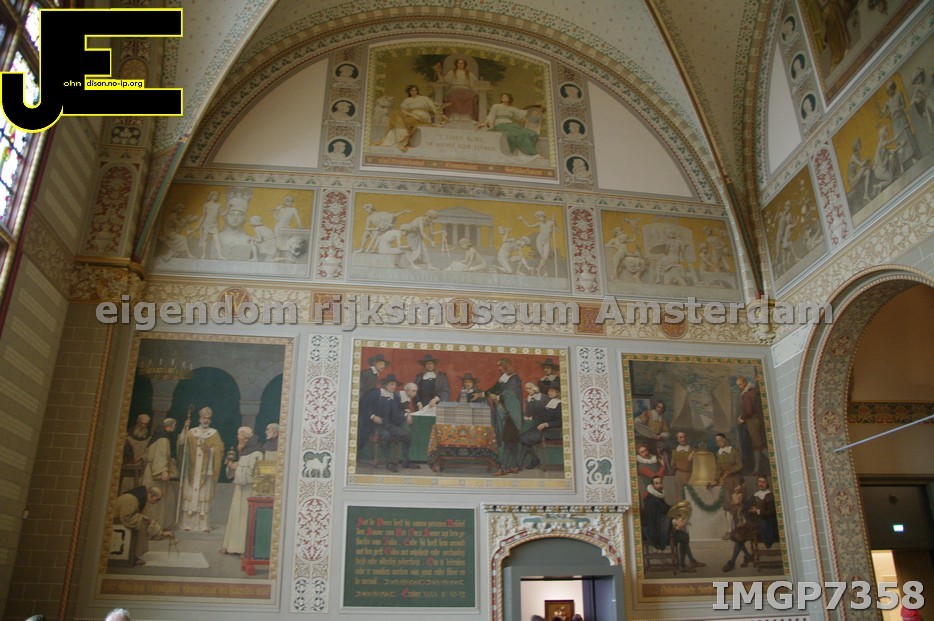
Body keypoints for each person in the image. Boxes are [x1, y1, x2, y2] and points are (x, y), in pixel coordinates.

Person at [177, 407, 225, 532]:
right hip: (192, 470)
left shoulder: (214, 434)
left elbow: (220, 450)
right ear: (200, 418)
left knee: (203, 497)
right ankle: (187, 524)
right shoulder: (191, 432)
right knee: (190, 496)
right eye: (204, 418)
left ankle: (203, 525)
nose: (206, 420)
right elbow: (182, 443)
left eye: (208, 418)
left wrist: (210, 450)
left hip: (206, 472)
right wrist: (184, 429)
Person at [473, 357, 523, 475]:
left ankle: (504, 468)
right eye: (498, 366)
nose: (499, 368)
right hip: (504, 413)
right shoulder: (504, 378)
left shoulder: (514, 380)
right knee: (511, 440)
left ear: (506, 366)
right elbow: (494, 390)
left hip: (511, 414)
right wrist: (480, 394)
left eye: (500, 366)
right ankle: (514, 466)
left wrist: (497, 397)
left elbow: (510, 396)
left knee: (508, 440)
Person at [360, 374, 418, 471]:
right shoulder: (375, 393)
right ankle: (388, 463)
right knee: (386, 435)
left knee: (406, 435)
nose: (394, 387)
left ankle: (405, 461)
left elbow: (397, 412)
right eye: (391, 384)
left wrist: (406, 415)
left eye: (395, 385)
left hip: (388, 424)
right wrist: (373, 416)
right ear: (385, 385)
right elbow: (364, 406)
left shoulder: (394, 396)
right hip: (374, 426)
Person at [220, 427, 264, 555]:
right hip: (240, 489)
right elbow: (243, 467)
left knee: (244, 517)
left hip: (248, 490)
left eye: (239, 435)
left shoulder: (256, 452)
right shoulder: (246, 451)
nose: (237, 437)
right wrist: (234, 466)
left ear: (245, 438)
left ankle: (242, 549)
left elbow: (254, 472)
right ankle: (231, 546)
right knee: (236, 516)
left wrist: (237, 468)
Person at [374, 84, 447, 151]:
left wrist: (440, 115)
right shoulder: (407, 100)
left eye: (415, 90)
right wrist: (412, 115)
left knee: (402, 119)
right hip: (412, 116)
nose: (414, 92)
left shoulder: (424, 98)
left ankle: (402, 139)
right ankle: (399, 137)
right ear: (409, 92)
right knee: (396, 115)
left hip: (423, 116)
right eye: (412, 91)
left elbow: (433, 108)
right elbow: (403, 110)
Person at [113, 486, 170, 566]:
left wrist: (159, 532)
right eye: (157, 499)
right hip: (118, 525)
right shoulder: (131, 499)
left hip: (124, 522)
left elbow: (149, 517)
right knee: (141, 524)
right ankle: (131, 557)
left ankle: (134, 556)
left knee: (143, 522)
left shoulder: (141, 499)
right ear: (151, 496)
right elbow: (126, 518)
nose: (156, 502)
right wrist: (141, 518)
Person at [477, 93, 541, 161]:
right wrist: (483, 124)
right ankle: (531, 153)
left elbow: (522, 114)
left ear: (510, 99)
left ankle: (523, 152)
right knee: (520, 134)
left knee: (531, 133)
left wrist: (535, 110)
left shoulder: (512, 108)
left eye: (505, 96)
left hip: (511, 125)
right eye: (502, 96)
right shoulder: (496, 106)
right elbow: (491, 116)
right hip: (501, 125)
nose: (503, 97)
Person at [143, 417, 177, 530]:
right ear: (170, 426)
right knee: (159, 499)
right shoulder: (163, 440)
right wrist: (163, 471)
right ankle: (157, 526)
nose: (175, 428)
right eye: (174, 426)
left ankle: (153, 526)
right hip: (157, 473)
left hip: (150, 470)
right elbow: (161, 456)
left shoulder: (155, 437)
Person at [519, 384, 561, 469]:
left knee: (524, 439)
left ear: (557, 392)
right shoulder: (550, 402)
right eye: (549, 391)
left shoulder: (559, 404)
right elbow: (542, 415)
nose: (549, 392)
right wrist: (530, 418)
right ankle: (527, 462)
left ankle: (526, 463)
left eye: (552, 391)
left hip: (551, 431)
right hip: (541, 428)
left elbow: (559, 422)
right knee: (523, 439)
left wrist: (546, 424)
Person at [712, 433, 743, 538]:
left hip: (736, 480)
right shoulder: (718, 453)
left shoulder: (734, 451)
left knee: (737, 505)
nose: (719, 442)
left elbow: (739, 465)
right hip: (727, 482)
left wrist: (730, 471)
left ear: (725, 440)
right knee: (727, 506)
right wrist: (716, 479)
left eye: (720, 440)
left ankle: (739, 531)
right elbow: (718, 468)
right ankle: (730, 530)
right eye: (717, 441)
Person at [736, 376, 767, 474]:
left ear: (745, 383)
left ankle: (773, 461)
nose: (739, 387)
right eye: (738, 385)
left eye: (740, 384)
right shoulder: (753, 391)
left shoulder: (746, 395)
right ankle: (756, 469)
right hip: (755, 419)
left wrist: (741, 418)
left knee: (758, 444)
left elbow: (748, 411)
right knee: (755, 446)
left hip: (751, 421)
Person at [434, 57, 478, 122]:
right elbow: (444, 81)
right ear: (456, 64)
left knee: (470, 97)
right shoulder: (451, 73)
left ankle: (467, 116)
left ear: (464, 64)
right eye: (459, 63)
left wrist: (476, 91)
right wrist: (438, 72)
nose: (460, 64)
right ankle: (454, 115)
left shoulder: (469, 74)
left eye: (462, 63)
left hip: (466, 89)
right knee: (453, 96)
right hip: (455, 89)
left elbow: (474, 84)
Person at [218, 187, 253, 261]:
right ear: (226, 216)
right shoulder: (218, 237)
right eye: (232, 214)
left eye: (239, 215)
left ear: (243, 218)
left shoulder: (249, 239)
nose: (235, 218)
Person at [517, 211, 556, 276]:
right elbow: (529, 226)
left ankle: (538, 269)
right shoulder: (539, 223)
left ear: (543, 216)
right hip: (539, 241)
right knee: (542, 257)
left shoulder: (551, 223)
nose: (538, 219)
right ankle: (545, 272)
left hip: (546, 241)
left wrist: (554, 223)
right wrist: (522, 219)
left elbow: (557, 229)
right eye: (537, 218)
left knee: (545, 258)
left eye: (539, 217)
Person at [193, 190, 224, 260]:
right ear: (212, 196)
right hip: (206, 223)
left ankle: (220, 255)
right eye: (216, 195)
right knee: (205, 239)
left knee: (217, 240)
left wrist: (228, 208)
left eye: (218, 195)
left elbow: (221, 214)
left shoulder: (218, 205)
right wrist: (198, 225)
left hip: (214, 225)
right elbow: (203, 216)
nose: (217, 197)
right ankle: (203, 255)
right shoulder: (206, 205)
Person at [671, 431, 694, 500]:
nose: (683, 439)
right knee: (680, 495)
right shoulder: (674, 451)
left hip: (690, 475)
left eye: (684, 437)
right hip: (679, 475)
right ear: (677, 439)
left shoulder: (692, 450)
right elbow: (672, 465)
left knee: (691, 495)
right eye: (680, 437)